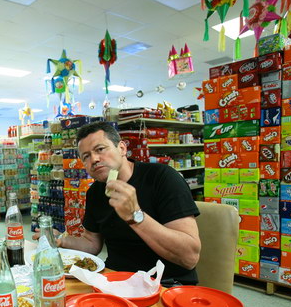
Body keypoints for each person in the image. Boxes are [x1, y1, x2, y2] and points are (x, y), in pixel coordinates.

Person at [55, 121, 201, 286]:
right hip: (115, 280)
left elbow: (189, 257)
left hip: (166, 284)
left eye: (100, 149)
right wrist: (60, 240)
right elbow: (91, 243)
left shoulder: (163, 178)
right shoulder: (95, 192)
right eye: (86, 156)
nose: (94, 159)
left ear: (122, 148)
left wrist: (135, 216)